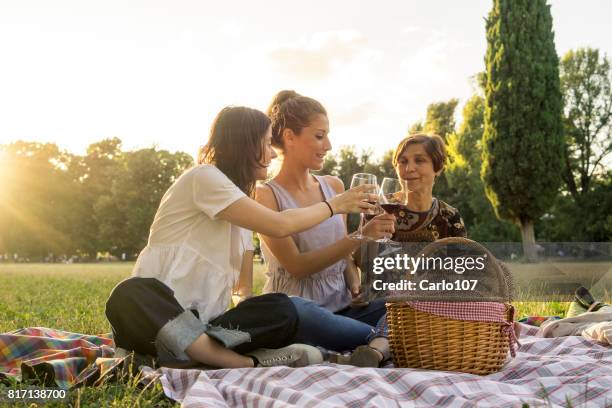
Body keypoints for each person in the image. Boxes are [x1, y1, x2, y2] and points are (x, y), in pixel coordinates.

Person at [105, 106, 378, 369]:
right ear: (245, 144)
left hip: (211, 330)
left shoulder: (243, 212)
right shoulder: (203, 177)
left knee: (283, 307)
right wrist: (337, 205)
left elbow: (242, 292)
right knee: (131, 291)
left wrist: (266, 316)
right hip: (156, 320)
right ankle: (242, 362)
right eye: (267, 142)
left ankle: (197, 355)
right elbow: (279, 224)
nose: (272, 153)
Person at [255, 90, 394, 352]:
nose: (328, 145)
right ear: (289, 137)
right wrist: (362, 235)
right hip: (303, 315)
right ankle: (380, 342)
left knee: (407, 300)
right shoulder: (266, 195)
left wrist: (354, 281)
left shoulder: (333, 185)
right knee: (301, 311)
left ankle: (372, 343)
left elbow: (342, 256)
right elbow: (297, 266)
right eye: (319, 136)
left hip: (344, 310)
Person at [345, 133, 468, 367]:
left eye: (419, 160)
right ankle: (380, 348)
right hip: (378, 307)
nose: (408, 168)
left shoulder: (449, 217)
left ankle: (375, 350)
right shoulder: (380, 207)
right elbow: (357, 259)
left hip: (428, 312)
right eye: (402, 161)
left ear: (437, 167)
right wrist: (356, 284)